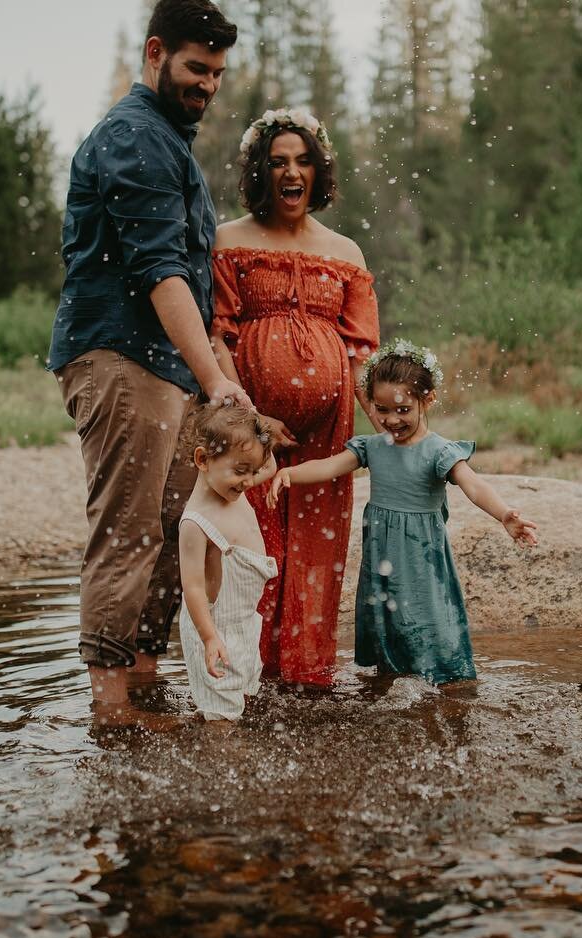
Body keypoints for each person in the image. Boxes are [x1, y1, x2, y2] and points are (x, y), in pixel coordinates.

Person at [47, 0, 250, 715]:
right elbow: (162, 273)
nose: (209, 85)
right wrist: (215, 377)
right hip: (119, 357)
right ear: (157, 52)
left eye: (219, 73)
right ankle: (110, 709)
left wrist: (213, 372)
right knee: (128, 531)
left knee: (176, 529)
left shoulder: (169, 142)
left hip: (165, 367)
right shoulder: (133, 137)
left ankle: (143, 674)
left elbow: (193, 280)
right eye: (198, 68)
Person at [210, 106, 381, 687]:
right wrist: (253, 419)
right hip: (248, 425)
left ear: (319, 170)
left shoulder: (346, 251)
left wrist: (390, 423)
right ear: (260, 169)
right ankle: (243, 677)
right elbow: (218, 333)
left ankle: (306, 678)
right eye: (278, 161)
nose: (292, 171)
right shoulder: (229, 240)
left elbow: (362, 354)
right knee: (250, 547)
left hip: (328, 432)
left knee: (316, 549)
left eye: (304, 161)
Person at [267, 340, 539, 684]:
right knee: (387, 615)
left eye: (403, 410)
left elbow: (473, 484)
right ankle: (391, 678)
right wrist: (290, 473)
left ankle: (445, 680)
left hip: (421, 556)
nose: (392, 420)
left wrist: (503, 515)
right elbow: (331, 466)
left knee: (427, 615)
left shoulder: (438, 450)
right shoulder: (372, 447)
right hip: (382, 553)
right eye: (382, 409)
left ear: (428, 400)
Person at [177, 403, 279, 721]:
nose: (250, 481)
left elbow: (270, 465)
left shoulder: (233, 488)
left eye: (253, 471)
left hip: (244, 623)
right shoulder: (196, 522)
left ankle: (221, 748)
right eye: (241, 471)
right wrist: (209, 638)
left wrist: (252, 413)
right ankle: (219, 760)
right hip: (215, 628)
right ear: (202, 460)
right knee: (220, 712)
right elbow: (192, 588)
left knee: (239, 701)